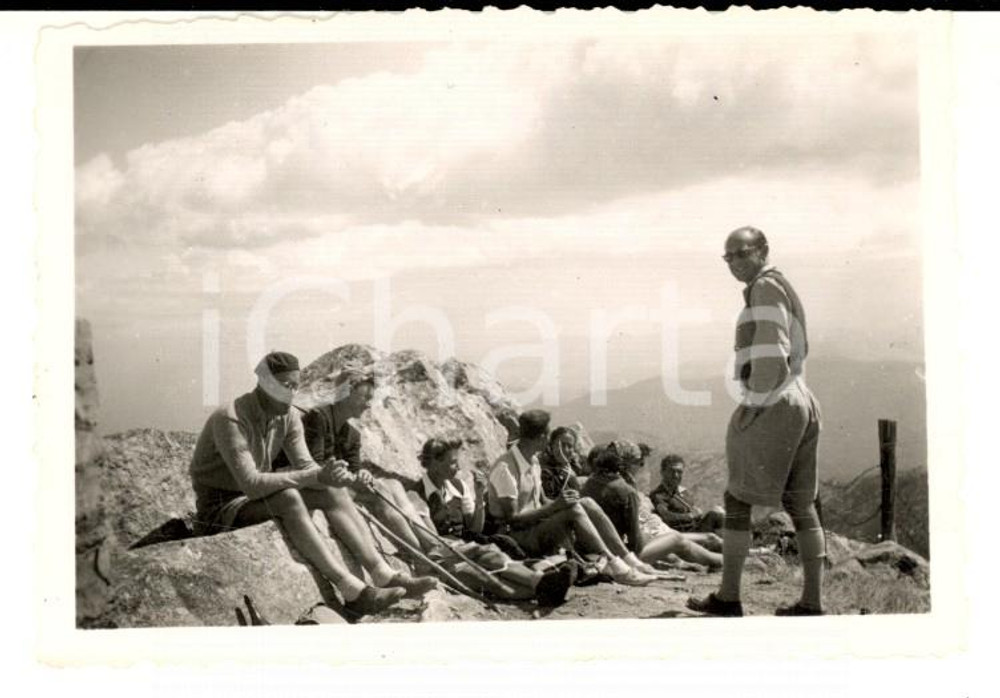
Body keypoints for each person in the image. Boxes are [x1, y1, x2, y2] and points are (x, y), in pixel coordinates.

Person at [188, 352, 435, 621]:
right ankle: (353, 591)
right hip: (221, 508)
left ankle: (382, 574)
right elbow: (251, 484)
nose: (291, 394)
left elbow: (306, 465)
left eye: (295, 386)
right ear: (263, 383)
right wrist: (312, 477)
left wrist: (329, 475)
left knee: (331, 490)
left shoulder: (288, 416)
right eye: (285, 386)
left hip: (251, 499)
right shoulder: (231, 418)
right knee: (289, 498)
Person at [687, 226, 824, 617]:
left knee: (736, 498)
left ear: (763, 251)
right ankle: (812, 602)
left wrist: (755, 404)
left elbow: (771, 348)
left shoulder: (764, 287)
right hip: (800, 397)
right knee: (800, 503)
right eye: (728, 256)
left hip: (775, 398)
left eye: (741, 253)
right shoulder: (775, 285)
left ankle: (729, 596)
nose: (733, 263)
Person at [486, 409, 658, 586]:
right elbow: (512, 518)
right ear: (542, 436)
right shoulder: (506, 468)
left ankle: (629, 560)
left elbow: (542, 501)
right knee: (574, 510)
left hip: (534, 527)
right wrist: (557, 506)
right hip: (515, 536)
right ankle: (618, 568)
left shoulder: (532, 461)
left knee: (585, 502)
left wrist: (563, 501)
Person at [412, 437, 575, 605]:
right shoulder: (416, 495)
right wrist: (468, 549)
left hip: (466, 547)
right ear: (435, 464)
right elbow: (432, 542)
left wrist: (479, 496)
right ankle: (543, 586)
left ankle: (541, 584)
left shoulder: (458, 486)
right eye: (453, 463)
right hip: (444, 558)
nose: (458, 467)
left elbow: (474, 529)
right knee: (487, 579)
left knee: (493, 561)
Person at [582, 441, 722, 570]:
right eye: (639, 463)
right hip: (626, 555)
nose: (641, 467)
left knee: (684, 540)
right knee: (677, 540)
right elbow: (636, 543)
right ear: (628, 464)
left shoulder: (591, 483)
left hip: (597, 549)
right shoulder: (626, 491)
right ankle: (721, 560)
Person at [650, 454, 725, 534]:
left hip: (695, 529)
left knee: (720, 511)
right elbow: (666, 516)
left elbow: (693, 512)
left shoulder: (682, 492)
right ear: (662, 472)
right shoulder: (658, 495)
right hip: (683, 535)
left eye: (679, 472)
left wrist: (696, 513)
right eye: (672, 471)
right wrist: (691, 516)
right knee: (715, 515)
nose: (676, 475)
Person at [538, 426, 584, 500]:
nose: (565, 450)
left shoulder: (574, 469)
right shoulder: (542, 469)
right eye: (561, 445)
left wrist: (573, 480)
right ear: (551, 446)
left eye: (569, 446)